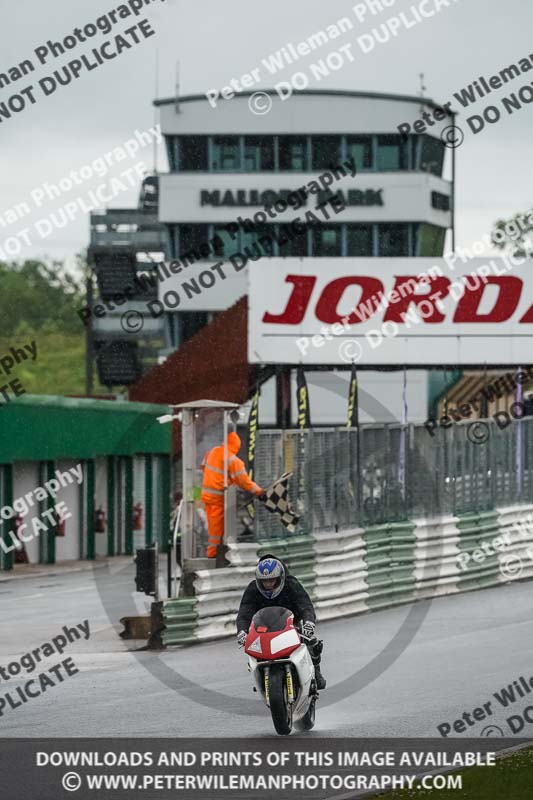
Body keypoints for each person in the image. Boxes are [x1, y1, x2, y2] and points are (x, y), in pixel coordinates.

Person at [236, 555, 326, 690]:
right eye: (264, 581)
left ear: (280, 578)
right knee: (252, 651)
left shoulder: (291, 584)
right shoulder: (253, 589)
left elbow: (305, 605)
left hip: (291, 626)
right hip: (264, 629)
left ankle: (316, 673)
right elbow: (244, 613)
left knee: (312, 643)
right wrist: (242, 631)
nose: (268, 585)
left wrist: (309, 623)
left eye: (272, 581)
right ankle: (260, 677)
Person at [201, 432, 264, 558]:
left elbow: (203, 466)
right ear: (236, 446)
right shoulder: (233, 460)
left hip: (207, 496)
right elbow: (244, 482)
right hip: (218, 499)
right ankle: (213, 556)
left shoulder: (213, 451)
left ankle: (216, 553)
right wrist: (259, 492)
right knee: (216, 531)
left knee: (215, 528)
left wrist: (219, 479)